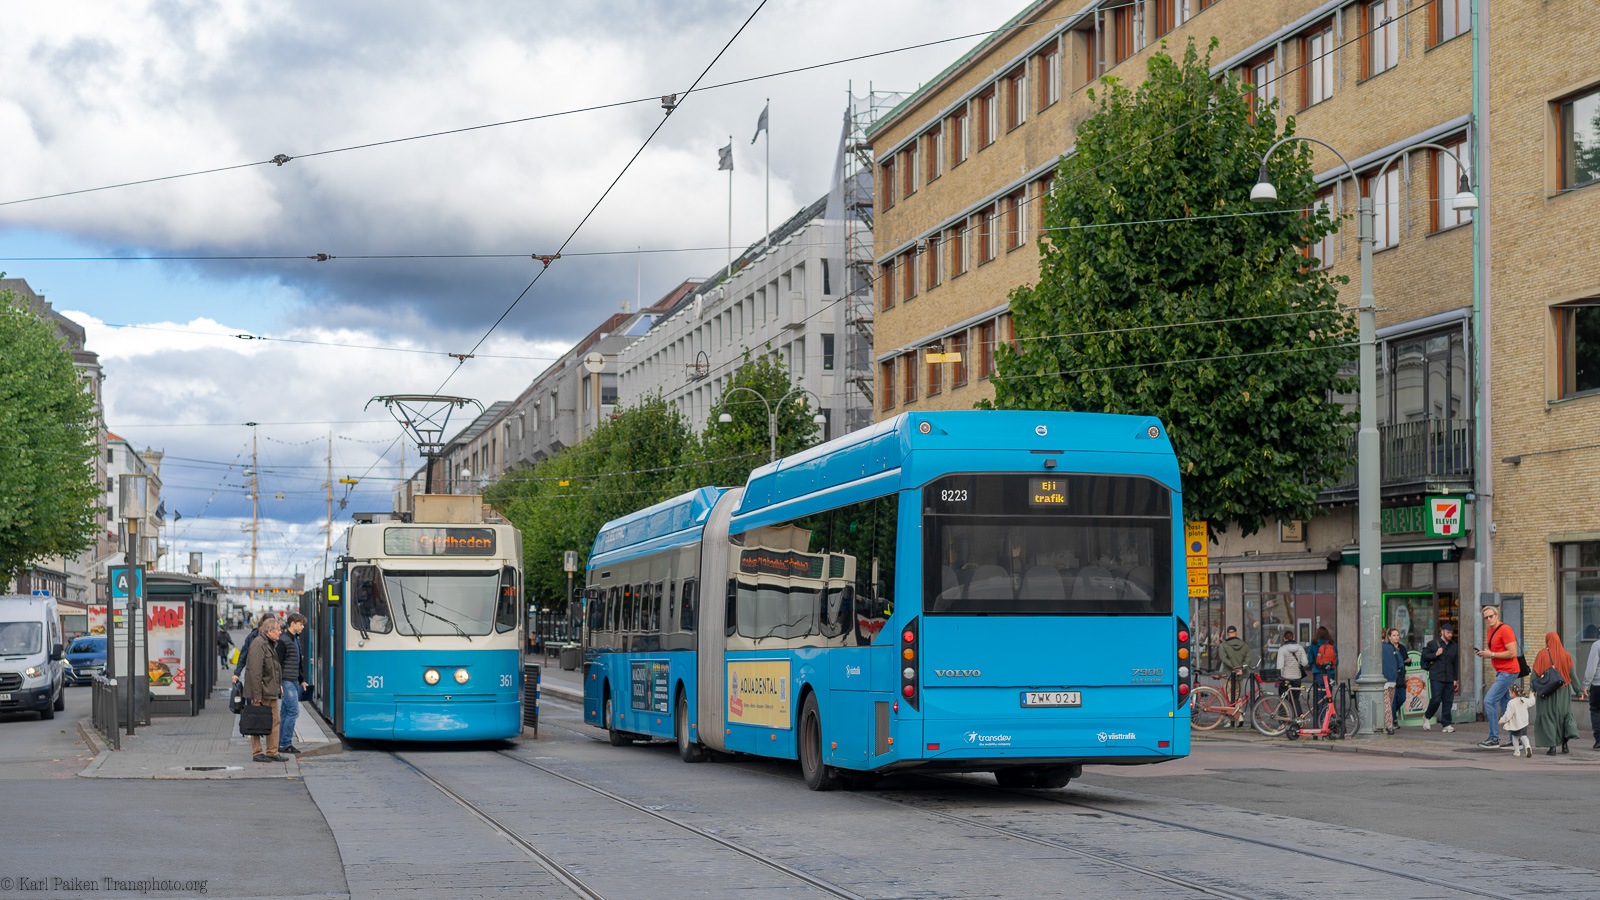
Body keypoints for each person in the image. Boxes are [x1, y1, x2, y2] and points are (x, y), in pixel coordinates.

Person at [242, 615, 286, 763]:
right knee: (257, 721)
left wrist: (278, 685)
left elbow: (274, 669)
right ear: (269, 631)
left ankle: (272, 751)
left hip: (270, 691)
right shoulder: (258, 644)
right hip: (261, 692)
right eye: (278, 630)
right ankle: (257, 752)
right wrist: (257, 694)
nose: (280, 632)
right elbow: (255, 672)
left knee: (275, 719)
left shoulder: (268, 643)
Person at [1476, 606, 1520, 749]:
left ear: (1497, 615)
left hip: (1508, 671)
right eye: (1486, 618)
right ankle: (1515, 740)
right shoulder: (1490, 630)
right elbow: (1496, 650)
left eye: (1490, 616)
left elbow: (1512, 653)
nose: (1488, 619)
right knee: (1506, 705)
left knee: (1489, 700)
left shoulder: (1505, 629)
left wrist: (1492, 655)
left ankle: (1494, 739)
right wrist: (1486, 653)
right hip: (1501, 671)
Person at [1532, 631, 1579, 756]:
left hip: (1546, 691)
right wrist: (1579, 691)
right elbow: (1572, 675)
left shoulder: (1542, 654)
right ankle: (1565, 745)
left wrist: (1532, 689)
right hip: (1563, 691)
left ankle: (1552, 747)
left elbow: (1535, 673)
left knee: (1548, 717)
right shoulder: (1566, 655)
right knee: (1563, 717)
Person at [275, 613, 309, 756]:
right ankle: (285, 743)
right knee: (293, 711)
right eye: (301, 624)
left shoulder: (295, 639)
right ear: (293, 623)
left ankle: (281, 742)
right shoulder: (283, 640)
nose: (302, 627)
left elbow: (297, 662)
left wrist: (301, 680)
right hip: (287, 681)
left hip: (293, 681)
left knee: (285, 712)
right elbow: (277, 663)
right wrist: (279, 682)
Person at [1421, 622, 1460, 732]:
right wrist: (1435, 654)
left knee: (1448, 701)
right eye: (1448, 633)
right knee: (1436, 699)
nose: (1450, 635)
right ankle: (1427, 717)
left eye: (1451, 633)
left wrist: (1454, 679)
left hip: (1449, 677)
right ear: (1442, 632)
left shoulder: (1453, 645)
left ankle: (1446, 724)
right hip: (1436, 676)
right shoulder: (1433, 644)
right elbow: (1424, 656)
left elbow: (1455, 663)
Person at [1218, 625, 1250, 726]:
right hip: (1239, 675)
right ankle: (1239, 715)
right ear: (1236, 633)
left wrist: (1233, 668)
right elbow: (1248, 660)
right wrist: (1241, 668)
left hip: (1228, 675)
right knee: (1237, 696)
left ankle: (1232, 719)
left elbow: (1224, 659)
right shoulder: (1244, 645)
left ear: (1228, 634)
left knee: (1229, 697)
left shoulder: (1224, 645)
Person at [1306, 625, 1339, 721]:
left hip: (1318, 674)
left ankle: (1319, 720)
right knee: (1328, 696)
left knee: (1318, 697)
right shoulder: (1332, 645)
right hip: (1330, 674)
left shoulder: (1314, 645)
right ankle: (1327, 719)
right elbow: (1336, 662)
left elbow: (1310, 660)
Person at [1275, 630, 1309, 718]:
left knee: (1283, 700)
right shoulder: (1300, 648)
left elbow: (1279, 666)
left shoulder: (1282, 649)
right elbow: (1305, 663)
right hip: (1297, 678)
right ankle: (1298, 718)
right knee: (1295, 699)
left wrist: (1279, 678)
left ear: (1284, 638)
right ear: (1293, 638)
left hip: (1285, 678)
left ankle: (1283, 720)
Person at [1381, 628, 1408, 734]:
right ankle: (1390, 723)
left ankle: (1389, 726)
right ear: (1388, 637)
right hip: (1393, 679)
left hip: (1383, 680)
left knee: (1388, 704)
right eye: (1394, 635)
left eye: (1398, 635)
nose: (1397, 637)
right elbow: (1401, 664)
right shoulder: (1392, 649)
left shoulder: (1376, 649)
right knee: (1390, 703)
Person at [1500, 682, 1535, 758]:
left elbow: (1508, 714)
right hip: (1524, 723)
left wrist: (1502, 720)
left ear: (1513, 694)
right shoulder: (1524, 700)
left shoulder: (1511, 703)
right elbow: (1532, 702)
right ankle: (1528, 746)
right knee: (1523, 736)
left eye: (1510, 692)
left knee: (1515, 737)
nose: (1509, 694)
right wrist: (1531, 695)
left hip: (1515, 724)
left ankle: (1517, 751)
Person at [1584, 638, 1600, 750]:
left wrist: (1585, 685)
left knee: (1596, 711)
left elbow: (1591, 667)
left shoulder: (1597, 645)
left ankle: (1599, 740)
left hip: (1598, 685)